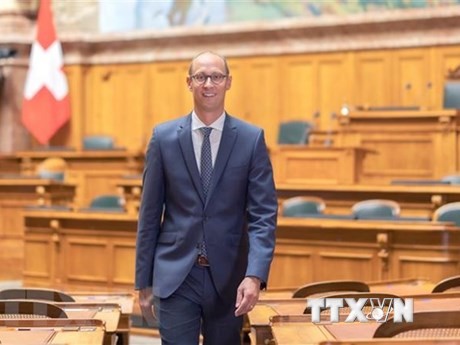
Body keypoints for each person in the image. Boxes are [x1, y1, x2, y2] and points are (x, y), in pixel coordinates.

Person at [135, 51, 278, 345]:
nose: (208, 83)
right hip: (176, 276)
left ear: (228, 82)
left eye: (216, 76)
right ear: (189, 83)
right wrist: (143, 282)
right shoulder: (163, 138)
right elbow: (149, 216)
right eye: (200, 77)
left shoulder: (251, 139)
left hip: (229, 279)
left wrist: (255, 275)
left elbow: (263, 216)